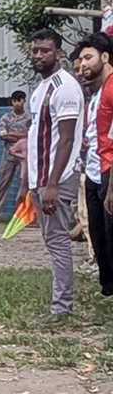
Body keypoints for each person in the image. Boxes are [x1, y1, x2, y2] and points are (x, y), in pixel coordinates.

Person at [19, 28, 83, 322]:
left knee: (57, 241)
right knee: (51, 240)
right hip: (39, 177)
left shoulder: (65, 87)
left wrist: (52, 185)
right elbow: (38, 137)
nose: (39, 55)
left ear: (58, 53)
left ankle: (61, 308)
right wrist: (28, 183)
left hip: (55, 177)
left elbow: (67, 140)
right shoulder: (41, 88)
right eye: (35, 51)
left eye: (45, 50)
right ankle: (60, 305)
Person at [74, 35, 111, 287]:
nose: (83, 65)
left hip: (108, 172)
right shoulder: (98, 93)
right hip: (94, 171)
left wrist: (111, 187)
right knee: (99, 238)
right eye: (80, 61)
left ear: (105, 57)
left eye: (88, 58)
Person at [0, 90, 31, 221]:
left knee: (24, 185)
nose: (17, 103)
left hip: (24, 157)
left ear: (24, 101)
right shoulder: (6, 117)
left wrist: (13, 134)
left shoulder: (30, 118)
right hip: (8, 155)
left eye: (20, 100)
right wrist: (20, 135)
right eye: (15, 101)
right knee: (2, 183)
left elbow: (30, 135)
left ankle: (22, 214)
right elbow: (3, 135)